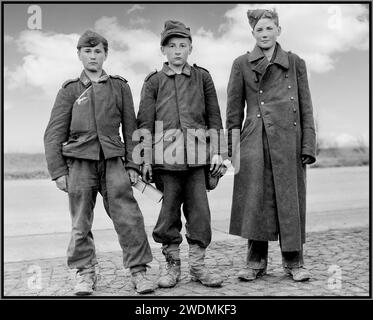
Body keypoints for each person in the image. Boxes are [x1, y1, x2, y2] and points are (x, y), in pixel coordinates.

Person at [44, 30, 155, 295]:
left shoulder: (119, 86)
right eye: (87, 51)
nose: (93, 56)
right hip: (79, 164)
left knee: (129, 217)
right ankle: (85, 274)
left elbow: (131, 130)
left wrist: (133, 165)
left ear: (105, 55)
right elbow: (53, 133)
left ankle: (139, 272)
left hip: (114, 161)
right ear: (79, 54)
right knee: (80, 221)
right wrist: (59, 171)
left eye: (98, 51)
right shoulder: (69, 90)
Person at [226, 9, 316, 282]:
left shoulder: (295, 62)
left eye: (269, 28)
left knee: (290, 201)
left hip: (289, 140)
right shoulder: (241, 63)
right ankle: (255, 262)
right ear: (252, 33)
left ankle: (294, 262)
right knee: (256, 201)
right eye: (259, 30)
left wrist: (308, 145)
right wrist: (231, 149)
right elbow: (232, 113)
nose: (264, 34)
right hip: (254, 139)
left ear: (279, 29)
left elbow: (306, 107)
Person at [137, 20, 227, 288]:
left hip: (198, 160)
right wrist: (144, 159)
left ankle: (198, 267)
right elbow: (144, 122)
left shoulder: (203, 78)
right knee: (168, 215)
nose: (178, 51)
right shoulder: (153, 82)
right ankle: (172, 267)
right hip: (166, 162)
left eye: (183, 45)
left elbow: (214, 117)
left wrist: (218, 151)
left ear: (190, 48)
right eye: (172, 46)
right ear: (163, 49)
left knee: (200, 214)